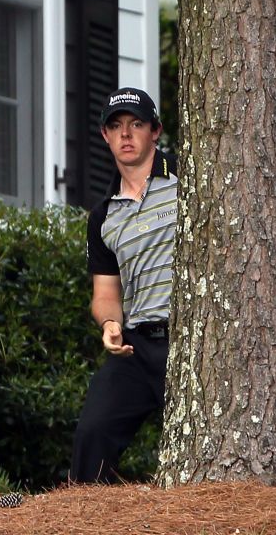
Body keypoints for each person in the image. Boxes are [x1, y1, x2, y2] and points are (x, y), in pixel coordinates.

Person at [70, 86, 177, 483]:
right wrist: (110, 325)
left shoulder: (189, 181)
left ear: (155, 131)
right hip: (137, 344)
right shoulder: (102, 216)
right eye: (116, 126)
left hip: (193, 342)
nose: (126, 134)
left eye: (136, 124)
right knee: (92, 433)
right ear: (105, 136)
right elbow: (105, 296)